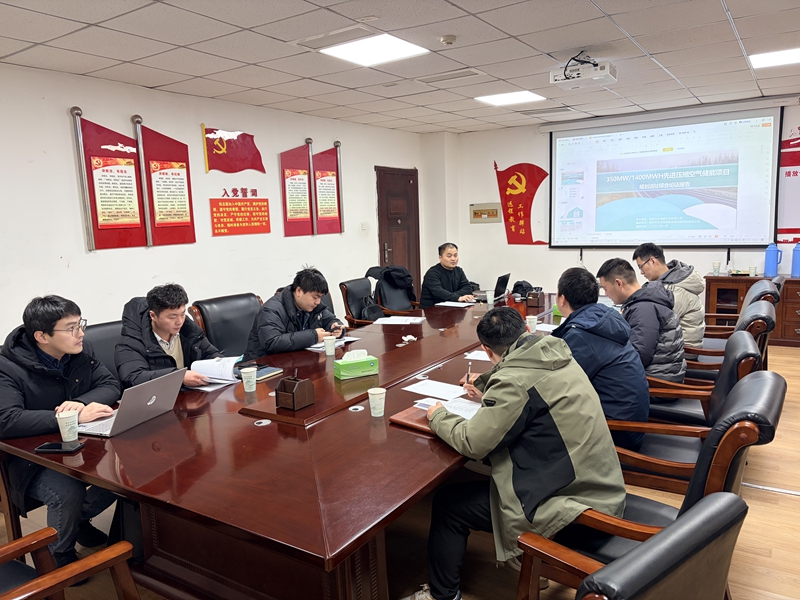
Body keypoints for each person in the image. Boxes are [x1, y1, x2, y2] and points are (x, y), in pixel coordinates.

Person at [402, 308, 626, 600]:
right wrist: (487, 386)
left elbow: (473, 443)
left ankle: (441, 596)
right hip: (597, 481)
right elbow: (528, 386)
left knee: (448, 503)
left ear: (486, 349)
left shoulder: (514, 381)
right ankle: (523, 556)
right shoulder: (557, 353)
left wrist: (438, 415)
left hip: (567, 501)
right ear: (526, 331)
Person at [0, 296, 119, 569]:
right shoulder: (7, 367)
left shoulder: (78, 352)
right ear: (42, 336)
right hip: (28, 458)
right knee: (67, 491)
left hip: (78, 445)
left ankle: (77, 521)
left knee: (125, 471)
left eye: (80, 324)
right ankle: (58, 556)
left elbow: (110, 384)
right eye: (71, 328)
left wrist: (81, 403)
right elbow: (6, 421)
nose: (81, 334)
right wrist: (70, 417)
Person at [551, 267, 649, 450]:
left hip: (616, 433)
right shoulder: (602, 319)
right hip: (631, 422)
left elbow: (557, 386)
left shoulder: (581, 335)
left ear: (562, 299)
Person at [115, 283, 222, 389]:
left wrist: (218, 363)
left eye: (182, 314)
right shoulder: (131, 342)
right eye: (172, 317)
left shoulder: (189, 331)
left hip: (192, 394)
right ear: (153, 316)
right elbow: (134, 377)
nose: (179, 322)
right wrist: (179, 377)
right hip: (158, 397)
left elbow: (210, 353)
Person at [597, 258, 686, 383]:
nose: (606, 294)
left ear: (618, 283)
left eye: (605, 288)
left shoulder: (644, 309)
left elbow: (639, 356)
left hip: (656, 381)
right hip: (660, 373)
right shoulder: (643, 301)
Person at [243, 267, 345, 359]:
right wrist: (314, 336)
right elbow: (272, 343)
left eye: (320, 297)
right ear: (299, 291)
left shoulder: (313, 306)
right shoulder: (271, 310)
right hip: (263, 365)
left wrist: (336, 327)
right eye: (315, 297)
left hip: (296, 360)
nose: (318, 302)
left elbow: (331, 319)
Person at [632, 243, 705, 349]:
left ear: (652, 261)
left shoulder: (676, 290)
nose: (641, 272)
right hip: (673, 343)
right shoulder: (669, 282)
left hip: (682, 350)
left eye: (641, 267)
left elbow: (658, 322)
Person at [419, 243, 474, 308]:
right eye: (449, 256)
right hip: (432, 309)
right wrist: (457, 298)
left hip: (453, 308)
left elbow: (467, 288)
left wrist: (455, 297)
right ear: (440, 258)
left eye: (455, 255)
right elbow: (438, 292)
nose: (453, 259)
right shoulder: (432, 273)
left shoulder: (459, 270)